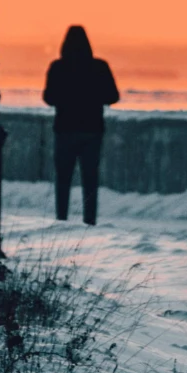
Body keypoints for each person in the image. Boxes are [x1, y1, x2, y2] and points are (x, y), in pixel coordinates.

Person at [43, 25, 119, 224]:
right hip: (92, 130)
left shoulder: (57, 67)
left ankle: (61, 218)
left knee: (63, 179)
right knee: (90, 179)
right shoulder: (99, 67)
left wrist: (66, 97)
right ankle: (89, 220)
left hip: (65, 130)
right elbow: (114, 96)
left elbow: (48, 97)